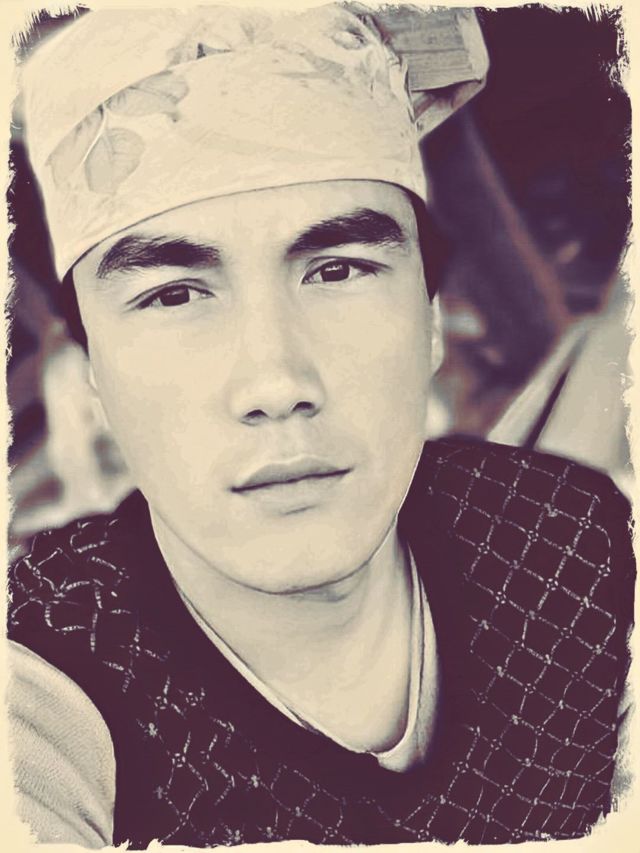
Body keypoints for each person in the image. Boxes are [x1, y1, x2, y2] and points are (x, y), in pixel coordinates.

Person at [7, 4, 634, 849]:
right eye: (173, 294)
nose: (277, 383)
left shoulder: (571, 537)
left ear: (431, 320)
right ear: (92, 375)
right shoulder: (50, 677)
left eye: (339, 269)